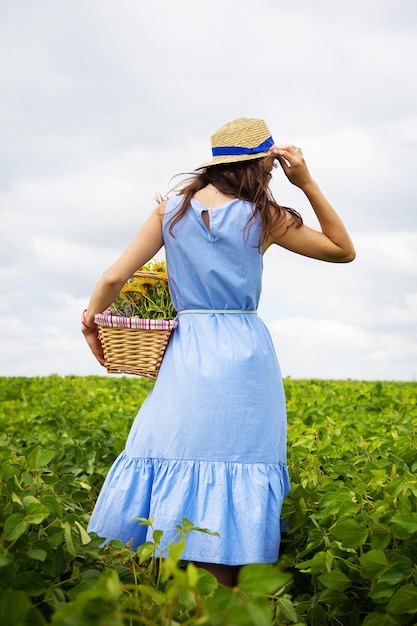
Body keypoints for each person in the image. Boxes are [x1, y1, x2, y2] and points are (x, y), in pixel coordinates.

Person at [82, 117, 355, 587]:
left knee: (175, 453)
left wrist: (93, 322)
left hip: (186, 350)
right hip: (245, 354)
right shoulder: (262, 216)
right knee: (239, 463)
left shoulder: (170, 211)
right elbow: (341, 250)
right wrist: (306, 182)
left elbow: (112, 278)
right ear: (259, 167)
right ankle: (227, 601)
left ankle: (178, 597)